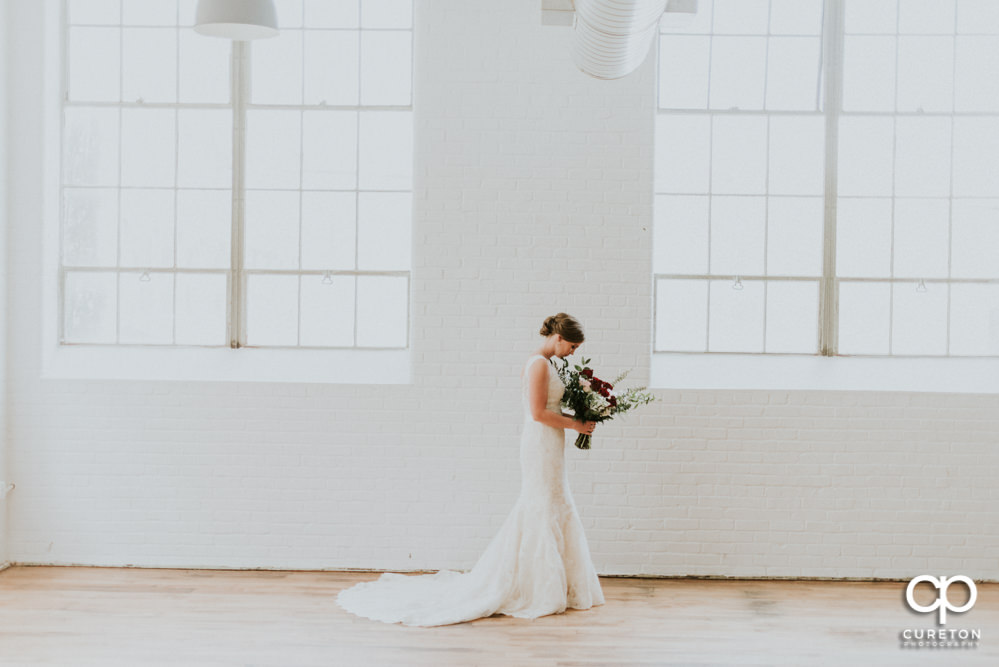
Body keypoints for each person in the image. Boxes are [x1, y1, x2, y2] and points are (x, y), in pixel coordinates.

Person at [335, 313, 605, 626]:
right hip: (540, 441)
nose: (573, 352)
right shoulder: (539, 364)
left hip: (550, 442)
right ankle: (534, 586)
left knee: (552, 502)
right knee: (541, 504)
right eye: (571, 346)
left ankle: (552, 583)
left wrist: (580, 417)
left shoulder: (549, 364)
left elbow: (551, 407)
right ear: (558, 337)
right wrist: (576, 424)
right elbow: (537, 412)